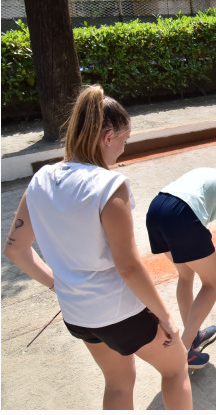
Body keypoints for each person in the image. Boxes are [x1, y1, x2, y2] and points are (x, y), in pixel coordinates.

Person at [3, 85, 192, 409]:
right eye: (123, 140)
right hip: (119, 311)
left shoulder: (41, 180)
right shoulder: (108, 185)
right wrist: (165, 317)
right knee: (176, 369)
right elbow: (128, 266)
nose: (122, 149)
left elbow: (15, 250)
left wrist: (57, 283)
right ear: (108, 137)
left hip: (78, 315)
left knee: (118, 384)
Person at [145, 167, 216, 369]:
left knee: (185, 273)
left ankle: (193, 336)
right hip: (181, 214)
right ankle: (182, 352)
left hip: (156, 210)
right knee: (213, 282)